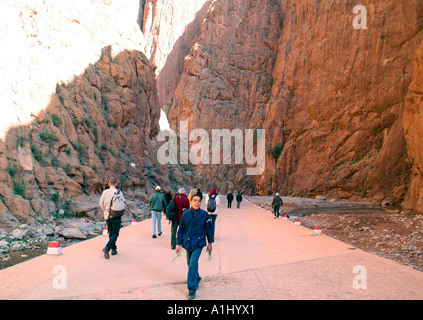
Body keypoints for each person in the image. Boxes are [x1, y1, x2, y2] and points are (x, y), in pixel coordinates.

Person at [176, 193, 214, 300]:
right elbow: (181, 230)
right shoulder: (186, 214)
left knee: (192, 263)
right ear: (190, 201)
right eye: (195, 200)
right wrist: (178, 244)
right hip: (188, 243)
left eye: (199, 201)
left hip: (199, 243)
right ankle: (196, 277)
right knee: (190, 264)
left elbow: (209, 230)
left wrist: (210, 244)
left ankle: (192, 289)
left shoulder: (204, 214)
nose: (197, 203)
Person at [99, 177, 125, 259]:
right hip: (116, 215)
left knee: (111, 232)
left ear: (109, 184)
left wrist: (105, 211)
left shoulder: (105, 192)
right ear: (116, 184)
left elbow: (100, 204)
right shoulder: (119, 192)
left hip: (107, 215)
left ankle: (114, 249)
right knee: (115, 233)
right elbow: (123, 202)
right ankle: (107, 248)